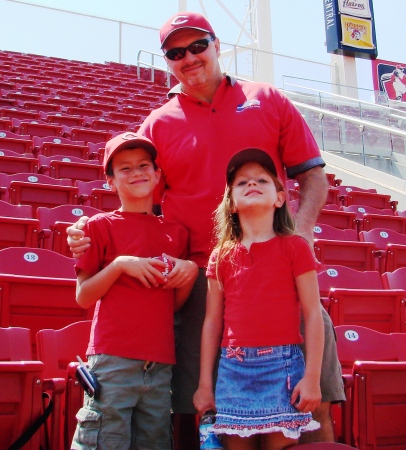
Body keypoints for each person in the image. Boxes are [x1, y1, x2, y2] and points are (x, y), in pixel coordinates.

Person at [67, 11, 345, 448]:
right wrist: (88, 231)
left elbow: (313, 176)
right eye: (176, 52)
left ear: (217, 45)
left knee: (315, 402)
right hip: (197, 276)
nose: (189, 58)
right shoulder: (157, 123)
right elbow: (136, 194)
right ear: (168, 61)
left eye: (198, 45)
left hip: (278, 267)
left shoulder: (267, 98)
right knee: (196, 406)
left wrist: (302, 233)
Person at [71, 132, 198, 450]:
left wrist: (189, 274)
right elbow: (84, 296)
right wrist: (119, 265)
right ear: (111, 182)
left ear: (157, 175)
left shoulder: (176, 233)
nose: (137, 172)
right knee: (103, 441)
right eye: (124, 168)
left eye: (144, 165)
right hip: (113, 360)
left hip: (159, 365)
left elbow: (172, 304)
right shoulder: (98, 226)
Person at [193, 148, 324, 450]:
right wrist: (204, 384)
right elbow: (212, 323)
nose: (251, 183)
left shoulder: (295, 248)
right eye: (241, 183)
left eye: (262, 180)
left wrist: (313, 377)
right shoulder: (221, 255)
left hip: (283, 367)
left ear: (279, 198)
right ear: (231, 203)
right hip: (233, 369)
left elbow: (313, 314)